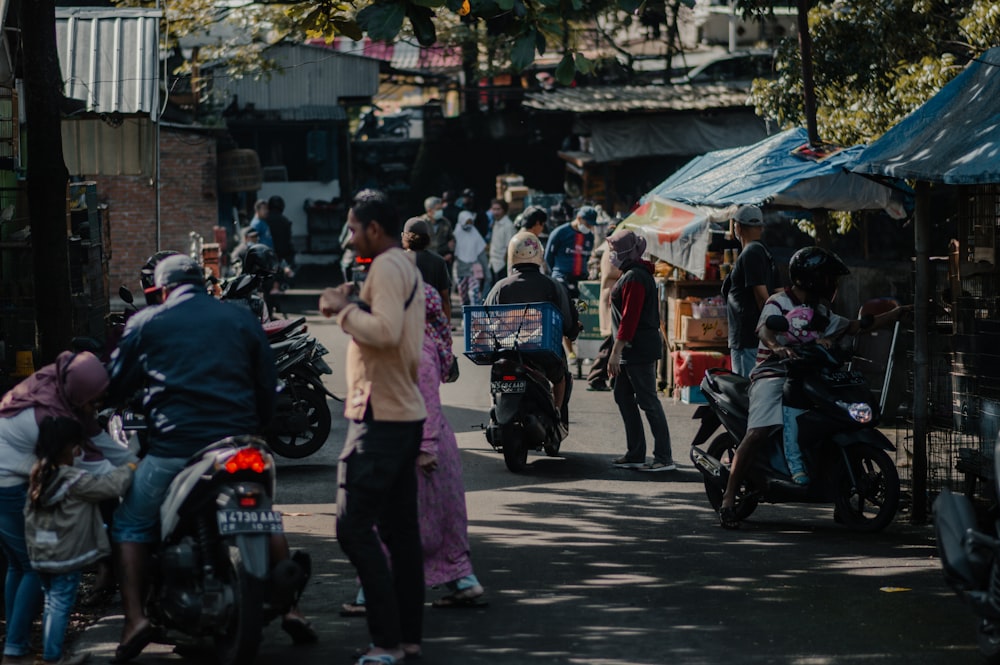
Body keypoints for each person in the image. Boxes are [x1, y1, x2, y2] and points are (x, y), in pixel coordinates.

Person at [107, 254, 313, 663]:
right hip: (242, 443)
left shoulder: (147, 323)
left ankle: (134, 619)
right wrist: (257, 427)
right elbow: (267, 383)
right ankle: (292, 608)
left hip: (176, 447)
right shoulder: (239, 319)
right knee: (263, 512)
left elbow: (118, 382)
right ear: (203, 283)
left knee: (129, 521)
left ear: (162, 289)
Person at [718, 247, 910, 529]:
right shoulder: (778, 302)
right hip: (773, 374)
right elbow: (765, 332)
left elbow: (855, 327)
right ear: (814, 278)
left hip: (809, 376)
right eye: (830, 277)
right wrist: (778, 348)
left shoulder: (820, 311)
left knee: (833, 422)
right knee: (758, 431)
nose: (833, 284)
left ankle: (839, 495)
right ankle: (728, 498)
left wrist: (896, 314)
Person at [318, 189, 427, 665]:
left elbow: (383, 331)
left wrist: (339, 310)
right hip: (401, 414)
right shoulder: (404, 265)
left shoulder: (385, 266)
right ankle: (405, 640)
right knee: (400, 535)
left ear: (374, 230)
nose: (350, 234)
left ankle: (385, 641)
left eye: (353, 226)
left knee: (353, 527)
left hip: (382, 416)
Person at [341, 286, 484, 617]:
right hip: (422, 445)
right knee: (440, 525)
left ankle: (371, 595)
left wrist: (426, 447)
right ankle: (463, 583)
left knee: (385, 523)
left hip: (415, 447)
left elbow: (426, 399)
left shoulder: (413, 344)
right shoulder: (418, 337)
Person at [0, 350, 128, 665]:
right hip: (8, 485)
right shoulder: (53, 420)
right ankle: (16, 647)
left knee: (18, 566)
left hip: (9, 479)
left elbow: (97, 437)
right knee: (32, 568)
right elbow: (90, 470)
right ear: (79, 392)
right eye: (92, 400)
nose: (94, 406)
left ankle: (17, 640)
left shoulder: (56, 391)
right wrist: (136, 473)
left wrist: (129, 461)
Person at [25, 416, 137, 665]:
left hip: (41, 554)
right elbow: (109, 487)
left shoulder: (37, 475)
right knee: (61, 604)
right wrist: (129, 468)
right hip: (67, 556)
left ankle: (51, 652)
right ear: (68, 448)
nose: (80, 451)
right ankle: (54, 657)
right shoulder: (74, 479)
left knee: (51, 602)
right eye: (78, 445)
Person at [485, 232, 578, 428]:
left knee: (496, 377)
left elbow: (484, 318)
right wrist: (572, 331)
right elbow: (568, 320)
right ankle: (557, 417)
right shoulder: (553, 285)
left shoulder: (500, 286)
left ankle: (493, 408)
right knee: (560, 378)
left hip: (507, 350)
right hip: (543, 351)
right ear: (539, 255)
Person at [605, 229, 677, 472]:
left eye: (614, 251)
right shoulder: (632, 275)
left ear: (626, 252)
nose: (611, 255)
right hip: (631, 348)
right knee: (623, 396)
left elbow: (630, 319)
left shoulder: (635, 277)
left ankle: (664, 457)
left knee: (648, 400)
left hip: (637, 349)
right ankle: (635, 453)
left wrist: (616, 351)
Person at [724, 205, 777, 378]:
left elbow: (763, 298)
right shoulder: (765, 253)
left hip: (747, 337)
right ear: (761, 228)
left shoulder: (750, 253)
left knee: (744, 392)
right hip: (757, 337)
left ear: (737, 227)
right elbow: (779, 292)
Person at [544, 205, 599, 359]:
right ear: (579, 218)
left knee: (582, 312)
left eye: (591, 225)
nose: (589, 228)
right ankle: (570, 352)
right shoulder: (560, 232)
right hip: (561, 278)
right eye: (587, 224)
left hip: (581, 280)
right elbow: (548, 256)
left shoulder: (589, 236)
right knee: (564, 314)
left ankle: (584, 350)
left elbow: (587, 258)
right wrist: (555, 274)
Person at [586, 229, 623, 391]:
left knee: (613, 340)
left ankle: (608, 377)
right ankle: (596, 376)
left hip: (612, 297)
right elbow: (612, 272)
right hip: (611, 298)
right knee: (611, 341)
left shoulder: (612, 249)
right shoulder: (611, 251)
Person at [403, 217, 453, 320]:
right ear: (427, 238)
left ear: (405, 237)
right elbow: (445, 299)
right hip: (431, 324)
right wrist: (446, 327)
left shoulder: (397, 261)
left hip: (405, 323)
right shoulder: (438, 261)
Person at [453, 208, 488, 307]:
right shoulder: (456, 234)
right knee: (463, 296)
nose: (468, 224)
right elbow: (453, 252)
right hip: (460, 269)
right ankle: (465, 317)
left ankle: (475, 317)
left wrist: (486, 271)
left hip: (473, 269)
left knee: (474, 293)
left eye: (470, 222)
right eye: (466, 222)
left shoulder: (475, 233)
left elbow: (481, 252)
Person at [487, 198, 515, 287]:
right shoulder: (495, 223)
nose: (496, 212)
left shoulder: (508, 225)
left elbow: (509, 247)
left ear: (504, 210)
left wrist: (506, 264)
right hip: (493, 263)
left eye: (498, 209)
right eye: (494, 209)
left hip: (502, 265)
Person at [267, 195, 295, 269]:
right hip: (282, 254)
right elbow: (288, 239)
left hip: (267, 253)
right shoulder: (285, 221)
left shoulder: (264, 220)